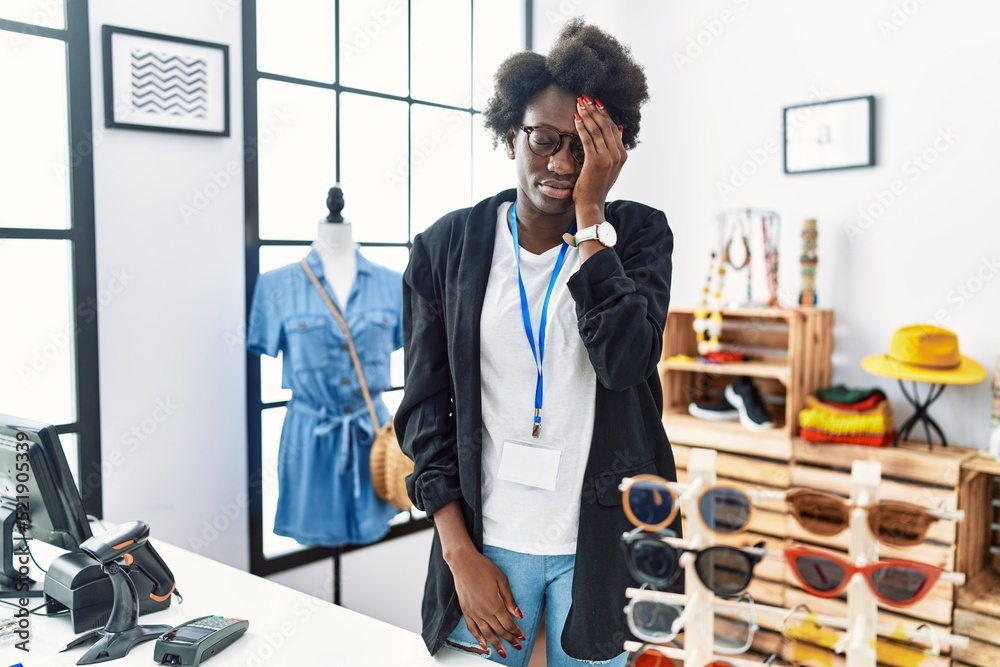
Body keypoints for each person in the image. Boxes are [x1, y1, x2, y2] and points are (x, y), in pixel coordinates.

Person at [394, 19, 679, 666]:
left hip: (603, 547)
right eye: (543, 140)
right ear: (508, 134)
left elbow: (627, 360)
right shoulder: (445, 249)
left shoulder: (635, 236)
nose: (561, 164)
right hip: (487, 542)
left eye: (583, 148)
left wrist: (590, 218)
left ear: (614, 148)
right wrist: (459, 553)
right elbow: (421, 410)